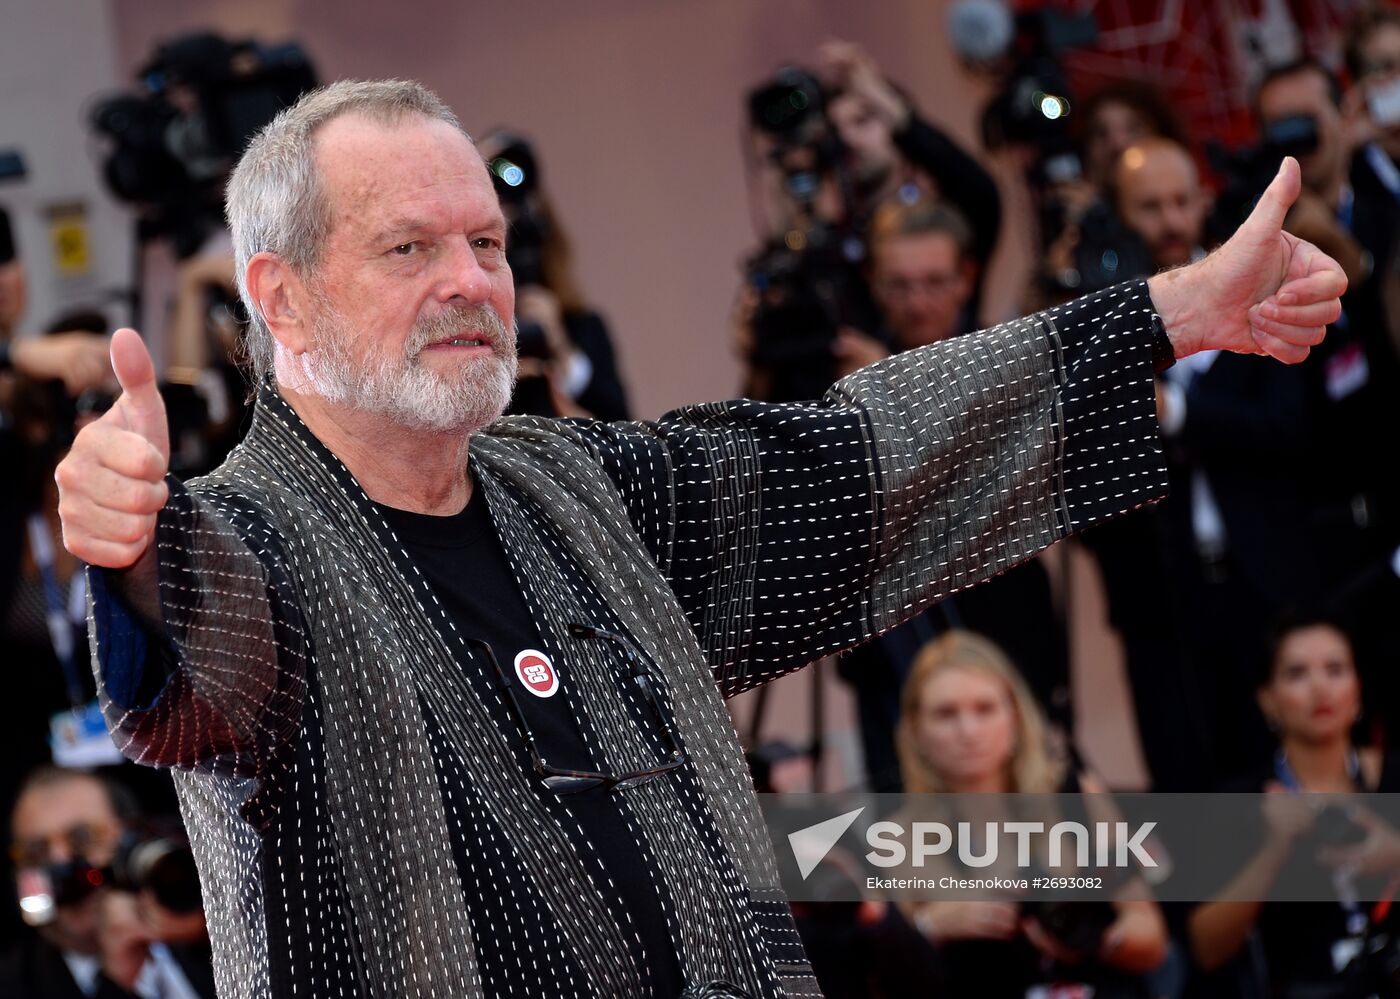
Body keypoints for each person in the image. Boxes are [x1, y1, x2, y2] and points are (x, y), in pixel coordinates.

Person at [55, 79, 1343, 998]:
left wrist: (1168, 315)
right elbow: (193, 632)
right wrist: (129, 542)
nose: (470, 280)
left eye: (487, 243)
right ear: (280, 297)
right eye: (409, 247)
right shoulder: (243, 544)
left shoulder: (580, 492)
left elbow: (860, 457)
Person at [832, 198, 1071, 790]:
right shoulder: (840, 375)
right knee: (900, 811)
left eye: (935, 281)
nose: (918, 301)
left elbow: (997, 481)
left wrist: (890, 385)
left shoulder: (1002, 353)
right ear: (874, 284)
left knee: (1035, 796)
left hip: (1002, 608)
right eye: (899, 285)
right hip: (883, 624)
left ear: (966, 278)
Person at [895, 631, 1168, 997]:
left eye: (985, 708)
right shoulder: (903, 835)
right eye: (946, 714)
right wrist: (931, 927)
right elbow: (887, 975)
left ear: (1015, 715)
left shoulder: (1076, 798)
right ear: (915, 731)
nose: (968, 731)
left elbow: (1152, 940)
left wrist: (1091, 938)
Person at [1186, 611, 1400, 994]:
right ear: (1268, 700)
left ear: (1358, 687)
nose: (1321, 689)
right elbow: (1206, 948)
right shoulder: (1243, 802)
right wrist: (1272, 851)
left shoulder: (1393, 775)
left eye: (1335, 670)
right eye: (1297, 674)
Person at [0, 766, 214, 998]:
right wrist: (117, 978)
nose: (60, 861)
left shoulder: (202, 933)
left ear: (130, 835)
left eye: (82, 838)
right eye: (36, 852)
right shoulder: (12, 985)